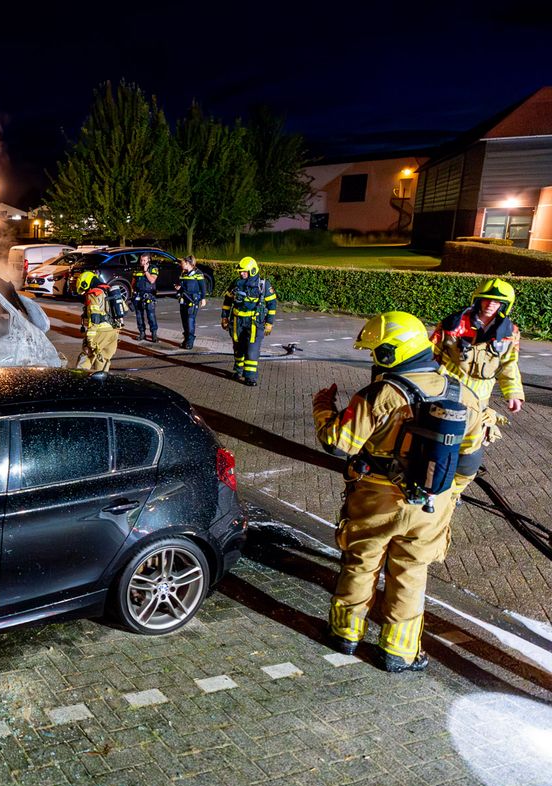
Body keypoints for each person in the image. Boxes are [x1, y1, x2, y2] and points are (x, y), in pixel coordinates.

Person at [312, 311, 485, 673]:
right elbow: (469, 461)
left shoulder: (380, 394)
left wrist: (323, 407)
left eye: (376, 351)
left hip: (375, 499)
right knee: (410, 574)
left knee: (361, 563)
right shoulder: (463, 394)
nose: (373, 359)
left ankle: (345, 633)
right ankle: (399, 652)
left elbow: (337, 442)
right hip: (432, 504)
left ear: (391, 352)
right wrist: (449, 495)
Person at [431, 277, 524, 414]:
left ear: (504, 305)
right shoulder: (453, 325)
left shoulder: (510, 332)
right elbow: (430, 353)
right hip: (448, 390)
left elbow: (509, 363)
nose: (490, 304)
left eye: (496, 301)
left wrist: (514, 394)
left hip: (480, 398)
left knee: (478, 426)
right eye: (486, 299)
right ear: (478, 300)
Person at [220, 256, 276, 386]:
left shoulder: (263, 285)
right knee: (238, 348)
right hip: (237, 321)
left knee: (252, 350)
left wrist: (269, 323)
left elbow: (272, 305)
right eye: (240, 271)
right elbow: (227, 301)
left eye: (244, 271)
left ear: (253, 271)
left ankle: (250, 377)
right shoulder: (236, 283)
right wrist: (224, 317)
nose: (241, 274)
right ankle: (238, 370)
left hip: (254, 323)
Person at [75, 270, 117, 371]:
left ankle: (78, 377)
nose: (84, 293)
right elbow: (124, 311)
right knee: (103, 358)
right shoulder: (109, 290)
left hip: (99, 331)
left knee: (87, 355)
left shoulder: (93, 294)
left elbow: (95, 317)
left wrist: (89, 338)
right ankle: (101, 379)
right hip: (113, 331)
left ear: (85, 283)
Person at [176, 256, 208, 349]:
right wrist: (179, 288)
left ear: (187, 263)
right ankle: (186, 339)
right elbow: (182, 286)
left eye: (182, 263)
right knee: (184, 322)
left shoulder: (198, 273)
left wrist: (203, 298)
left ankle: (190, 341)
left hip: (192, 301)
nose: (181, 264)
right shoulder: (183, 273)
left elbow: (203, 287)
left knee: (190, 321)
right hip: (183, 301)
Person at [129, 253, 160, 342]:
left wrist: (146, 271)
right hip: (138, 295)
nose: (142, 262)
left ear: (148, 260)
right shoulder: (137, 269)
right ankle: (142, 333)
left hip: (149, 295)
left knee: (151, 316)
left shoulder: (153, 268)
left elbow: (152, 280)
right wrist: (132, 293)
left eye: (144, 260)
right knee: (139, 316)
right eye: (141, 260)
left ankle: (154, 334)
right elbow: (133, 282)